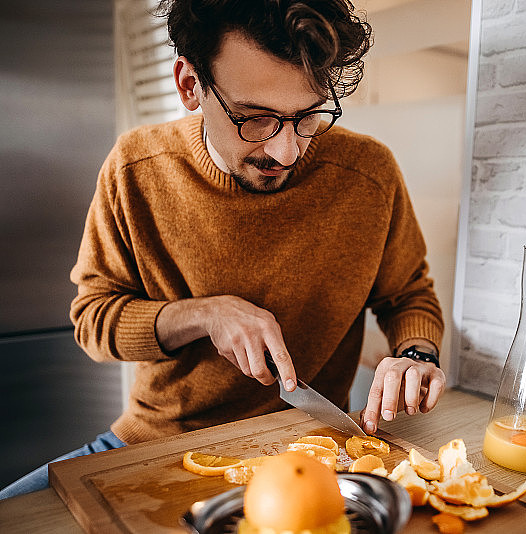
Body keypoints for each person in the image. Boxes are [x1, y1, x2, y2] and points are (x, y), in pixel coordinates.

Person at [0, 0, 445, 500]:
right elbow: (93, 323)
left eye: (307, 116)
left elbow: (409, 295)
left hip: (310, 450)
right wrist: (204, 316)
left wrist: (413, 354)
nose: (287, 152)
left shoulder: (369, 174)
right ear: (190, 85)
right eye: (255, 118)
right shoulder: (136, 168)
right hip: (155, 444)